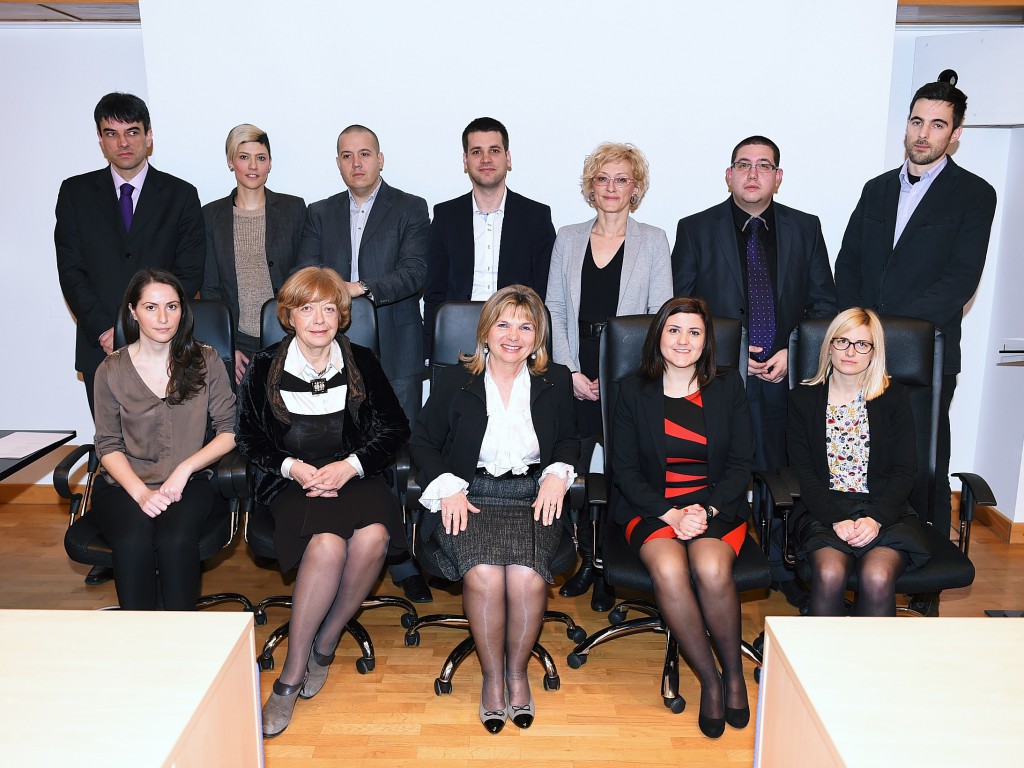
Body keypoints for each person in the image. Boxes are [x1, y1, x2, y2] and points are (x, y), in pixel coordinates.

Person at [834, 81, 997, 617]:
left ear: (955, 134)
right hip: (859, 354)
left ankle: (924, 583)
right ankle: (853, 567)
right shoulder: (876, 189)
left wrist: (885, 332)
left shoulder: (975, 194)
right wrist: (857, 333)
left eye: (937, 125)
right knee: (858, 459)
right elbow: (848, 264)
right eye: (917, 121)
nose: (923, 134)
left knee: (922, 463)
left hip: (924, 356)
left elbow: (959, 281)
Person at [235, 267, 410, 738]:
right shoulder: (265, 365)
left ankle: (326, 642)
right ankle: (291, 675)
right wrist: (293, 467)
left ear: (342, 315)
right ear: (288, 316)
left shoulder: (362, 361)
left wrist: (350, 466)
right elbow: (248, 437)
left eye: (329, 309)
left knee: (374, 536)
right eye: (307, 308)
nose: (318, 319)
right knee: (328, 544)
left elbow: (395, 427)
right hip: (291, 480)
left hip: (353, 473)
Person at [671, 135, 837, 611]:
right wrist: (726, 354)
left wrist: (793, 350)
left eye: (764, 166)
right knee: (724, 469)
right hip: (719, 376)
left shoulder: (805, 228)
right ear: (728, 175)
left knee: (783, 470)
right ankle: (721, 560)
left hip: (785, 376)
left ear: (777, 178)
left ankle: (784, 566)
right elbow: (680, 307)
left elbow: (824, 305)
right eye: (743, 164)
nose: (752, 173)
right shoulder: (695, 228)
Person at [409, 285, 578, 733]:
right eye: (503, 324)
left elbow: (569, 439)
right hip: (469, 495)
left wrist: (557, 474)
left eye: (525, 327)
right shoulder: (454, 380)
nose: (513, 336)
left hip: (531, 495)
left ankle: (517, 675)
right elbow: (421, 441)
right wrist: (446, 487)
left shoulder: (556, 380)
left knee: (525, 576)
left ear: (538, 337)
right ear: (485, 331)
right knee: (483, 573)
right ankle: (492, 678)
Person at [296, 124, 432, 602]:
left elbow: (415, 272)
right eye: (347, 155)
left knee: (396, 451)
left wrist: (358, 288)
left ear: (380, 159)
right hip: (331, 350)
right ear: (338, 162)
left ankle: (401, 558)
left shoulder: (411, 207)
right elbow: (306, 274)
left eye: (365, 154)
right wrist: (331, 296)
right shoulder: (319, 213)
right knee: (340, 445)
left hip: (397, 348)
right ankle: (345, 547)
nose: (356, 163)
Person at [610, 297, 753, 739]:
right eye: (674, 330)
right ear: (659, 336)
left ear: (707, 341)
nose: (683, 340)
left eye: (694, 332)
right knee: (671, 570)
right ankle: (710, 681)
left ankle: (733, 674)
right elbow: (624, 470)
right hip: (652, 508)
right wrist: (670, 514)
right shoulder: (632, 390)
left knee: (711, 568)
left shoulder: (728, 386)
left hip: (715, 507)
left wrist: (706, 510)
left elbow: (741, 464)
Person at [547, 141, 672, 606]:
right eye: (602, 178)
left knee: (623, 475)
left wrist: (625, 375)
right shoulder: (568, 237)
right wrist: (570, 371)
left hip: (630, 372)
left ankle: (611, 569)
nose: (611, 187)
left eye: (621, 179)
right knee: (573, 474)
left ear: (635, 188)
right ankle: (583, 558)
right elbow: (554, 310)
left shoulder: (653, 240)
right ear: (590, 187)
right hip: (575, 365)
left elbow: (659, 316)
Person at [90, 269, 236, 611]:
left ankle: (180, 636)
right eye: (151, 307)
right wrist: (141, 493)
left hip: (189, 484)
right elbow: (107, 444)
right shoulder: (110, 370)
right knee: (133, 541)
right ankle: (140, 636)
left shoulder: (206, 360)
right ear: (132, 312)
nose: (163, 317)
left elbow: (229, 431)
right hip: (124, 485)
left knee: (175, 540)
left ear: (183, 310)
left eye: (172, 306)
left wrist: (185, 469)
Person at [56, 91, 205, 415]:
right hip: (101, 348)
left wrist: (149, 331)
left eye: (132, 132)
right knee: (111, 443)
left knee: (169, 442)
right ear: (100, 139)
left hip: (164, 347)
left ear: (148, 136)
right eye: (112, 133)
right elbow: (71, 270)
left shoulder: (181, 195)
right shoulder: (75, 193)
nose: (123, 142)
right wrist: (105, 330)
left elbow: (190, 270)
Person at [787, 308, 931, 617]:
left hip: (884, 510)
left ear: (874, 352)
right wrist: (836, 518)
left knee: (877, 577)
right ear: (829, 346)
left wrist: (876, 518)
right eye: (842, 341)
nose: (851, 352)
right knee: (829, 574)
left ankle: (871, 652)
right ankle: (824, 651)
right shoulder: (803, 399)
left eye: (862, 344)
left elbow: (905, 470)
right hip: (824, 510)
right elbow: (803, 472)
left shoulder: (894, 397)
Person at [422, 117, 555, 353]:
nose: (486, 159)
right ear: (465, 161)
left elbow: (545, 292)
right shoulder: (445, 216)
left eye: (494, 150)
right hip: (459, 335)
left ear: (508, 158)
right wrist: (430, 350)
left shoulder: (536, 217)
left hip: (517, 337)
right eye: (476, 152)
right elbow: (434, 293)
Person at [201, 123, 306, 385]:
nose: (253, 166)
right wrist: (226, 346)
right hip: (238, 343)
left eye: (260, 158)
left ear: (270, 163)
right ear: (231, 162)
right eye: (244, 157)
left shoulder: (294, 209)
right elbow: (210, 288)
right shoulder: (211, 215)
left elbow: (304, 275)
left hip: (289, 335)